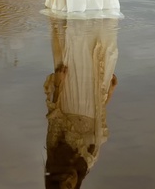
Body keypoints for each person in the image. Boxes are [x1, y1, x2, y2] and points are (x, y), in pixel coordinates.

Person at [43, 17, 119, 189]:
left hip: (70, 97)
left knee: (76, 43)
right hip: (92, 101)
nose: (70, 179)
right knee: (103, 44)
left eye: (64, 182)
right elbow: (98, 121)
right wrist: (109, 93)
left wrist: (58, 83)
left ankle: (75, 9)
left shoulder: (55, 155)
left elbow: (54, 118)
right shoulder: (89, 160)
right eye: (71, 186)